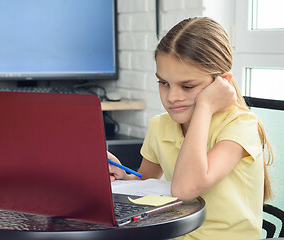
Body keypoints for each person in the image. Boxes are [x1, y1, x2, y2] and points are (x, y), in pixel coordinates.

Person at [108, 16, 273, 240]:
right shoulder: (160, 126)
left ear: (221, 82)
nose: (172, 97)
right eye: (164, 83)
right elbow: (145, 183)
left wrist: (204, 107)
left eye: (187, 86)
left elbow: (186, 189)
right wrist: (122, 177)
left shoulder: (239, 126)